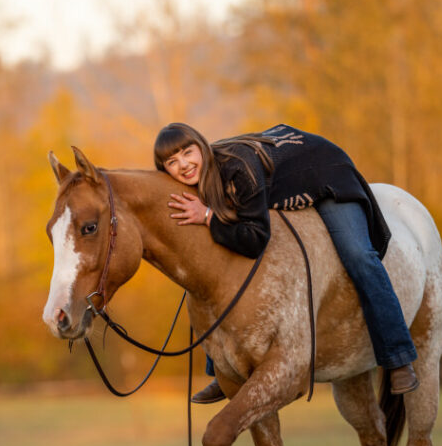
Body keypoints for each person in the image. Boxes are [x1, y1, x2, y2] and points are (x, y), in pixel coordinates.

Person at [153, 122, 419, 403]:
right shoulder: (200, 179)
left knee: (359, 256)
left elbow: (255, 238)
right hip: (285, 183)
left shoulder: (238, 167)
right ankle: (222, 371)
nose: (183, 164)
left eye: (187, 152)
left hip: (325, 174)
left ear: (201, 146)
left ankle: (398, 357)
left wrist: (208, 217)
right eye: (172, 161)